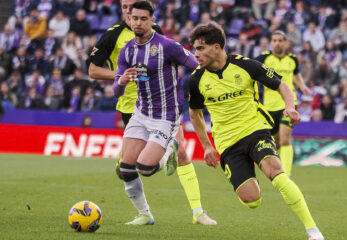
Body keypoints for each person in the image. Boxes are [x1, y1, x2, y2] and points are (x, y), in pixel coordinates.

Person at [188, 22, 324, 240]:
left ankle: (313, 231)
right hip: (227, 143)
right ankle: (251, 174)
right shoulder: (196, 80)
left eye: (200, 48)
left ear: (216, 47)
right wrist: (207, 146)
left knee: (276, 173)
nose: (196, 54)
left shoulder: (246, 65)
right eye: (194, 48)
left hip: (255, 129)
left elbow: (282, 85)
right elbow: (195, 113)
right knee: (252, 200)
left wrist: (290, 106)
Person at [109, 1, 216, 226]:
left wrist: (205, 89)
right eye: (134, 18)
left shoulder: (167, 46)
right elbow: (116, 90)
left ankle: (171, 149)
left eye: (143, 19)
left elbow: (194, 65)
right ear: (129, 19)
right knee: (126, 169)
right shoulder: (127, 50)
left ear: (152, 21)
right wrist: (122, 80)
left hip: (166, 116)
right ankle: (145, 214)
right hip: (140, 113)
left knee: (145, 169)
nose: (137, 22)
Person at [255, 30, 310, 176]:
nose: (277, 43)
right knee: (276, 142)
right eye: (274, 40)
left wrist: (303, 86)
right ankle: (278, 168)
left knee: (285, 139)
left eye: (280, 40)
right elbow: (253, 76)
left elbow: (296, 74)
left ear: (286, 43)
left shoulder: (292, 59)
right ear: (271, 43)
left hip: (289, 104)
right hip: (269, 106)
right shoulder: (263, 59)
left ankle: (285, 175)